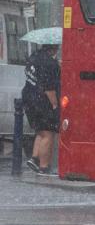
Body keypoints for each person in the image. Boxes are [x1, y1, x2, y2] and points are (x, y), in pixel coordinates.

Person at [22, 44, 61, 175]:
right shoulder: (50, 63)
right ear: (54, 48)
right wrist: (55, 105)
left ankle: (34, 158)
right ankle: (44, 167)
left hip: (29, 98)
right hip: (42, 102)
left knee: (40, 131)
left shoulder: (34, 57)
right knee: (48, 134)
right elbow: (49, 88)